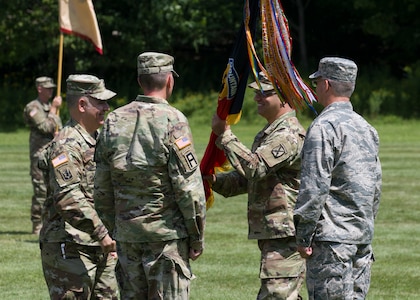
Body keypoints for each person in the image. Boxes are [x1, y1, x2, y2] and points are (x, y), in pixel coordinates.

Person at [94, 52, 206, 300]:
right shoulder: (173, 120)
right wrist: (197, 236)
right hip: (166, 240)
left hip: (127, 238)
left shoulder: (113, 120)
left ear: (139, 80)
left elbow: (100, 187)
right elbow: (188, 188)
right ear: (169, 81)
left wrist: (114, 228)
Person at [208, 72, 306, 300]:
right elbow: (249, 178)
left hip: (286, 234)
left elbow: (255, 167)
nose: (257, 98)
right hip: (276, 232)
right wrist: (213, 181)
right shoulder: (270, 133)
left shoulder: (287, 135)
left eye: (265, 93)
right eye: (256, 92)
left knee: (276, 296)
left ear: (284, 96)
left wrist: (225, 135)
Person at [293, 57, 382, 299]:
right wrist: (365, 226)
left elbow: (314, 187)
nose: (315, 87)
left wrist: (303, 236)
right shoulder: (366, 128)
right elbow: (375, 186)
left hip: (332, 243)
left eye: (317, 81)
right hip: (361, 239)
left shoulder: (324, 127)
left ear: (327, 84)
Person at [38, 74, 119, 299]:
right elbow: (68, 196)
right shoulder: (66, 144)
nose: (107, 107)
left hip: (100, 246)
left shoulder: (99, 139)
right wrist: (103, 234)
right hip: (70, 247)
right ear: (82, 104)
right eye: (100, 102)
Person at [23, 76, 62, 235]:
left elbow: (56, 128)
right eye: (48, 88)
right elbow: (46, 127)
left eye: (52, 88)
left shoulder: (49, 107)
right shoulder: (33, 107)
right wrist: (53, 110)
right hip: (40, 155)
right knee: (40, 190)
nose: (51, 90)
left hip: (54, 152)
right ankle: (37, 225)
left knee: (55, 189)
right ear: (39, 89)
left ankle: (51, 223)